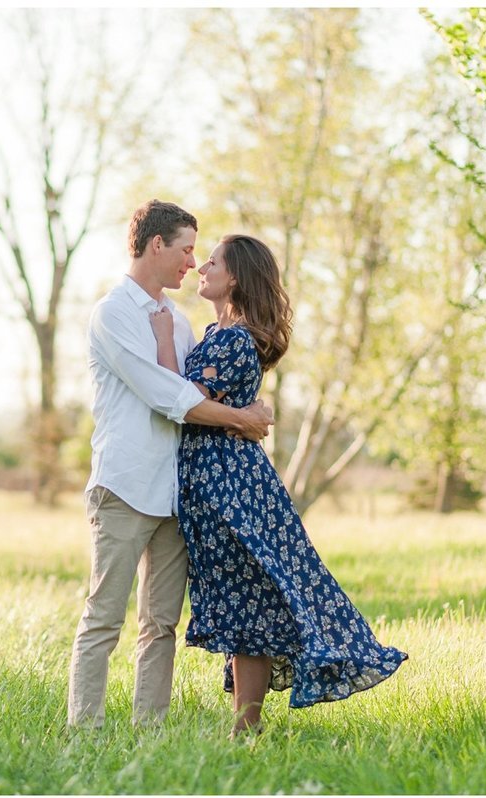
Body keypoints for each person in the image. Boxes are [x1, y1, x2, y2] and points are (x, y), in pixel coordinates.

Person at [149, 233, 407, 737]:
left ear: (237, 277)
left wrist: (161, 337)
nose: (202, 266)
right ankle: (246, 727)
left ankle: (246, 727)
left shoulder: (232, 339)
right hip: (228, 480)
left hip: (228, 486)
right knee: (251, 597)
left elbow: (179, 398)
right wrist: (245, 414)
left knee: (250, 598)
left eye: (214, 261)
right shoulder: (224, 335)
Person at [68, 201, 275, 729]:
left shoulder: (180, 323)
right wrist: (243, 419)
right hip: (125, 484)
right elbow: (168, 394)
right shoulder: (114, 313)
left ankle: (149, 731)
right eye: (186, 250)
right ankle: (85, 731)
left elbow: (195, 394)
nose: (191, 262)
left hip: (175, 493)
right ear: (156, 245)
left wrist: (237, 415)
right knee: (103, 618)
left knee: (160, 624)